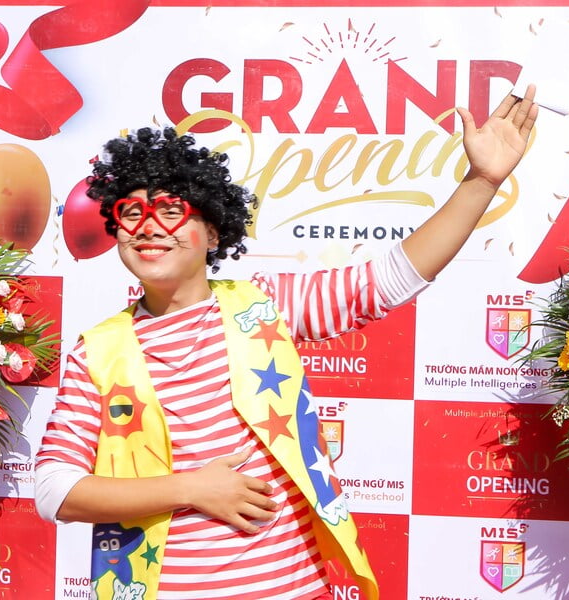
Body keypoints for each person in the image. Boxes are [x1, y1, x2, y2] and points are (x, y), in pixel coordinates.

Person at [35, 86, 538, 600]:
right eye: (131, 213)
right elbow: (55, 490)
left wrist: (482, 182)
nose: (148, 228)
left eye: (170, 210)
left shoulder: (264, 306)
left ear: (213, 232)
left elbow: (391, 278)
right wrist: (191, 488)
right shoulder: (97, 352)